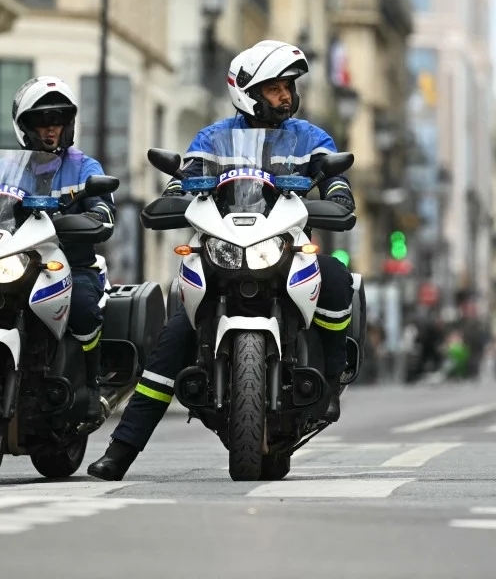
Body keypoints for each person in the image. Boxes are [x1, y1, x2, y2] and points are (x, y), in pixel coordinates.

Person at [87, 40, 357, 481]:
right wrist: (173, 196)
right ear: (246, 91)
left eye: (288, 87)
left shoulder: (310, 137)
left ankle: (329, 381)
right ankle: (121, 451)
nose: (286, 96)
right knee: (173, 339)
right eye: (274, 88)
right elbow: (185, 180)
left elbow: (334, 178)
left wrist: (339, 195)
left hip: (287, 252)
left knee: (337, 278)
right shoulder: (212, 139)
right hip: (221, 255)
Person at [9, 76, 116, 417]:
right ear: (25, 127)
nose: (50, 128)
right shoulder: (6, 168)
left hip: (72, 265)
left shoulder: (85, 166)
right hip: (16, 264)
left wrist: (96, 214)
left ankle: (91, 385)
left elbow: (104, 208)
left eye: (57, 119)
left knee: (83, 307)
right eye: (42, 121)